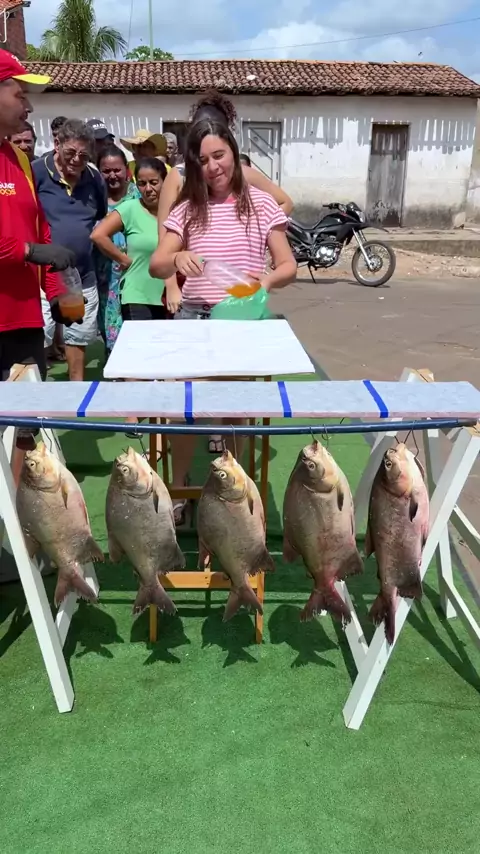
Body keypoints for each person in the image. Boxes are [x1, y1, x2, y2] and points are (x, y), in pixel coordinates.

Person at [150, 119, 297, 523]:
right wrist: (177, 257)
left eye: (219, 155)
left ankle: (233, 490)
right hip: (195, 318)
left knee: (234, 409)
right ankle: (179, 489)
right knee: (184, 409)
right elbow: (157, 264)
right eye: (203, 161)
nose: (213, 167)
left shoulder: (261, 204)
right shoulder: (187, 208)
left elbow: (287, 265)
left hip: (239, 319)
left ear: (233, 151)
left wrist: (264, 281)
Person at [0, 49, 76, 484]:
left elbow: (40, 231)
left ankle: (17, 519)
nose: (28, 106)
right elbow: (33, 245)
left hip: (25, 323)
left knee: (25, 432)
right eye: (19, 94)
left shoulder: (20, 160)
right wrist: (28, 252)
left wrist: (57, 291)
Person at [92, 157, 167, 448]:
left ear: (165, 182)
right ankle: (133, 415)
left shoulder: (174, 211)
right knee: (138, 357)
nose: (148, 189)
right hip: (137, 293)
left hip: (169, 295)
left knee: (164, 358)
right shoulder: (130, 208)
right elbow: (98, 235)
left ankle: (162, 411)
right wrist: (122, 258)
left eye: (154, 182)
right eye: (142, 183)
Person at [33, 118, 108, 380]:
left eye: (84, 156)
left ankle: (76, 390)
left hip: (82, 274)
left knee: (79, 335)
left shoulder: (95, 178)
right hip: (42, 276)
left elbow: (99, 214)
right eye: (71, 153)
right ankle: (35, 393)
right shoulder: (36, 172)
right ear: (57, 144)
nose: (77, 160)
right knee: (39, 337)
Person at [95, 145, 139, 358]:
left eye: (117, 170)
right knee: (108, 323)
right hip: (104, 276)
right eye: (106, 171)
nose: (112, 175)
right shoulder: (94, 198)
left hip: (135, 273)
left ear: (126, 169)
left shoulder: (139, 195)